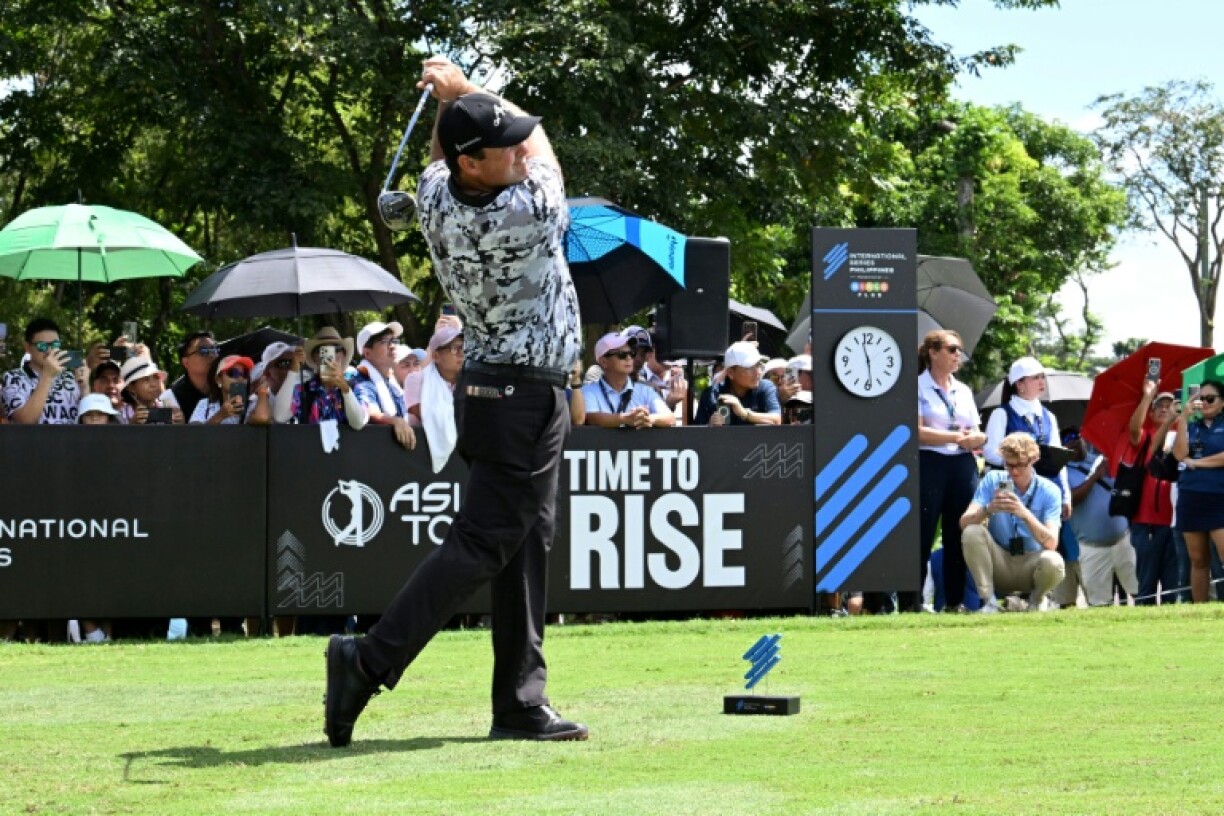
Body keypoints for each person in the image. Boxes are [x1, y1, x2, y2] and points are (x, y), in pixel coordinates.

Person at [323, 55, 586, 747]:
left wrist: (451, 102)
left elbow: (442, 154)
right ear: (474, 162)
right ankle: (367, 660)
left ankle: (520, 702)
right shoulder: (529, 207)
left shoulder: (438, 198)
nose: (519, 152)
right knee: (485, 542)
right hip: (524, 396)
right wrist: (465, 89)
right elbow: (546, 155)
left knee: (526, 540)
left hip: (491, 392)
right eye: (505, 147)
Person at [912, 330, 985, 614]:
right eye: (952, 349)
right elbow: (916, 432)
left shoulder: (963, 390)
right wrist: (955, 437)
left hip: (962, 464)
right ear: (933, 352)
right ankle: (914, 601)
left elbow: (976, 429)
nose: (958, 356)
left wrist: (979, 438)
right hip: (930, 462)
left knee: (959, 532)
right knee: (923, 532)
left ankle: (955, 602)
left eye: (960, 350)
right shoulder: (917, 386)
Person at [960, 433, 1065, 614]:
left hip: (1031, 563)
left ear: (1034, 459)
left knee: (1053, 561)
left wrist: (1025, 514)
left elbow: (1051, 543)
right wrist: (988, 509)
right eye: (1009, 465)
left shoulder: (1050, 490)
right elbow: (964, 523)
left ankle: (1037, 601)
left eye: (1020, 465)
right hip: (999, 561)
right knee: (972, 532)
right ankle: (989, 603)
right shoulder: (993, 479)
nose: (1014, 472)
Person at [983, 356, 1072, 518]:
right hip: (1009, 486)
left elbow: (1058, 460)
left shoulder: (1049, 416)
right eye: (1035, 377)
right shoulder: (1001, 413)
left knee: (1045, 532)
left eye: (1042, 376)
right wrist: (1020, 462)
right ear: (1019, 384)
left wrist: (1066, 495)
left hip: (1044, 487)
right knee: (1007, 530)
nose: (1041, 381)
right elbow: (989, 452)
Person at [1062, 429, 1137, 606]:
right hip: (1092, 547)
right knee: (1100, 603)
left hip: (1123, 540)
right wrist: (1095, 476)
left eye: (1077, 437)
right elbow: (1071, 499)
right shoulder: (1062, 472)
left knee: (1139, 592)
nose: (1074, 442)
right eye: (1068, 440)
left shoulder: (1101, 460)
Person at [1123, 381, 1179, 604]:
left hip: (1174, 523)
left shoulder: (1181, 437)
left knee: (1172, 586)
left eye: (1169, 405)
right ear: (1151, 412)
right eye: (1159, 406)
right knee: (1146, 584)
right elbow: (1133, 429)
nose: (1165, 409)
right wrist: (1147, 396)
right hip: (1146, 523)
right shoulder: (1145, 437)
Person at [1172, 379, 1224, 602]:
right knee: (1198, 560)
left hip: (1220, 496)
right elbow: (1179, 455)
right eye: (1200, 399)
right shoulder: (1192, 426)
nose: (1204, 403)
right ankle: (1200, 608)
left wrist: (1196, 463)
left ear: (1222, 402)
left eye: (1210, 398)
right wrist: (1183, 418)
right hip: (1191, 495)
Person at [273, 327, 368, 430]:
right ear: (315, 357)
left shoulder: (357, 386)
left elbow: (358, 423)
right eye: (322, 350)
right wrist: (293, 371)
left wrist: (345, 389)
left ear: (343, 355)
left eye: (336, 349)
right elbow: (280, 416)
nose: (329, 356)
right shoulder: (304, 390)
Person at [403, 322, 466, 472]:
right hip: (419, 460)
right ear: (436, 356)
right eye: (454, 348)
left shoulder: (470, 382)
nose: (461, 353)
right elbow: (424, 414)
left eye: (463, 347)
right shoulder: (416, 380)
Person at [580, 330, 674, 429]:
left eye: (632, 353)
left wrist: (649, 419)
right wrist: (624, 419)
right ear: (604, 362)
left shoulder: (646, 391)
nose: (629, 358)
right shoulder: (588, 391)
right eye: (622, 354)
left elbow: (670, 418)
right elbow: (592, 417)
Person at [2, 318, 85, 424]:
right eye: (42, 346)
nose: (49, 350)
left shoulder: (71, 377)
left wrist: (85, 386)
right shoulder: (12, 378)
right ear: (27, 347)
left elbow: (91, 419)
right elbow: (24, 422)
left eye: (55, 345)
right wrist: (47, 377)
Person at [351, 320, 416, 450]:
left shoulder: (391, 382)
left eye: (394, 340)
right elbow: (368, 411)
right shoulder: (361, 379)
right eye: (384, 341)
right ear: (367, 352)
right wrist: (395, 421)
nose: (392, 346)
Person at [693, 341, 782, 426]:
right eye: (750, 367)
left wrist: (744, 413)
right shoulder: (712, 395)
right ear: (731, 373)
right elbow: (697, 432)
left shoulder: (765, 388)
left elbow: (776, 420)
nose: (758, 372)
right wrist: (710, 426)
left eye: (758, 365)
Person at [189, 355, 255, 425]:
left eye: (245, 374)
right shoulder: (205, 405)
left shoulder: (253, 404)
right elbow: (195, 431)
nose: (240, 378)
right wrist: (220, 415)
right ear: (218, 380)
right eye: (233, 373)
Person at [119, 355, 185, 425]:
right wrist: (132, 425)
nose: (153, 384)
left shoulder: (166, 406)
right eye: (146, 379)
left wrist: (180, 424)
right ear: (131, 388)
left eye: (156, 377)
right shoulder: (121, 415)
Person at [171, 331, 220, 422]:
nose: (211, 355)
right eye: (203, 351)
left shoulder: (226, 388)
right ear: (186, 362)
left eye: (214, 349)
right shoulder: (174, 398)